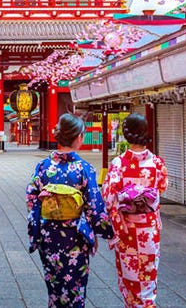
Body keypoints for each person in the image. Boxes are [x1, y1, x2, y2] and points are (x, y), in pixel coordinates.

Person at [26, 113, 114, 307]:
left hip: (48, 234)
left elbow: (31, 198)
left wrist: (38, 225)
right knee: (76, 287)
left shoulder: (43, 167)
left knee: (55, 286)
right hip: (75, 236)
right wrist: (101, 232)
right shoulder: (84, 168)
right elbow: (94, 206)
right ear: (79, 137)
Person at [102, 113, 168, 308]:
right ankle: (147, 304)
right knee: (148, 276)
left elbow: (108, 196)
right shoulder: (157, 163)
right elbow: (162, 187)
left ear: (126, 134)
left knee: (129, 278)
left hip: (127, 229)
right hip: (148, 230)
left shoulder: (118, 164)